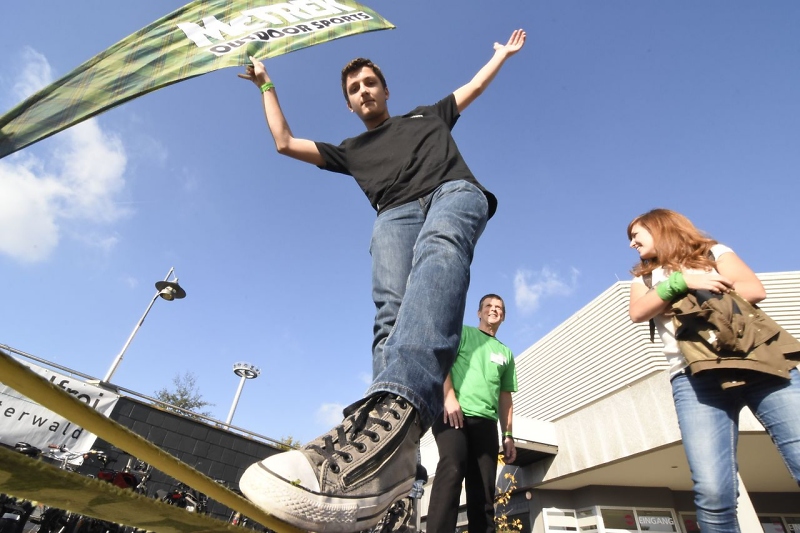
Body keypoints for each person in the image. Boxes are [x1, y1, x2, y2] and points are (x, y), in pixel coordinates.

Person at [236, 30, 527, 533]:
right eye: (355, 89)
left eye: (371, 83)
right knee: (390, 318)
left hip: (450, 193)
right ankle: (389, 454)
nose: (364, 91)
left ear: (386, 91)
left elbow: (473, 89)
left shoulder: (425, 115)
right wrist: (266, 85)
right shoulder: (350, 149)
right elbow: (284, 143)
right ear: (350, 104)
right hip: (393, 214)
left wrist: (499, 56)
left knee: (442, 248)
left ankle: (396, 421)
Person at [627, 208, 800, 533]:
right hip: (693, 377)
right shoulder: (643, 278)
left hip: (759, 360)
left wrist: (688, 289)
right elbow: (638, 312)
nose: (632, 243)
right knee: (713, 491)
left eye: (637, 235)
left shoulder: (713, 252)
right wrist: (681, 281)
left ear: (659, 226)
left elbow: (753, 289)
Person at [426, 294, 517, 533]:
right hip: (453, 414)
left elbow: (505, 397)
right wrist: (449, 397)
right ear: (479, 313)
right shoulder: (463, 333)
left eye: (499, 308)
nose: (493, 310)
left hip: (486, 423)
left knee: (484, 489)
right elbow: (442, 362)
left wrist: (508, 434)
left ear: (503, 317)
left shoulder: (505, 353)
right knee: (453, 467)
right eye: (488, 306)